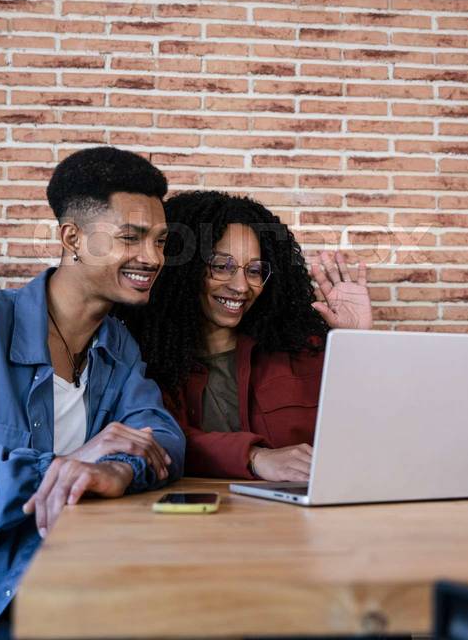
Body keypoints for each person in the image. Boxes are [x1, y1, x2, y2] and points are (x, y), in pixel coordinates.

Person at [0, 146, 185, 640]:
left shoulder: (117, 344)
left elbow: (162, 436)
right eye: (131, 238)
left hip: (87, 584)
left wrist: (110, 469)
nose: (152, 258)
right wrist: (63, 467)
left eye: (160, 240)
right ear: (73, 238)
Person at [124, 190, 372, 484]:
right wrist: (254, 456)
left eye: (254, 270)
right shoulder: (145, 357)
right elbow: (160, 442)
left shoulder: (304, 351)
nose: (241, 286)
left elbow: (369, 429)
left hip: (293, 521)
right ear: (184, 270)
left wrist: (357, 343)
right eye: (221, 266)